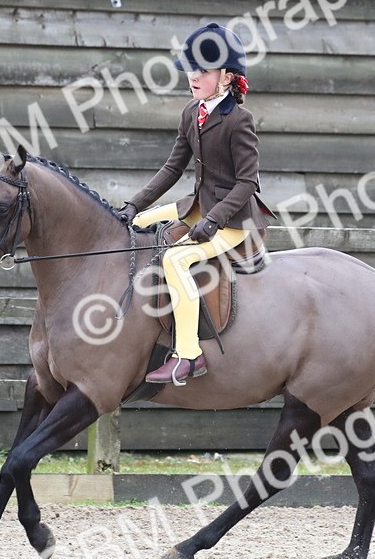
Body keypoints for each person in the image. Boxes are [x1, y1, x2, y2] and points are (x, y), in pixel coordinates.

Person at [116, 23, 271, 385]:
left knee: (176, 258)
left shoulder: (239, 121)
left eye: (203, 70)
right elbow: (173, 167)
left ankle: (189, 354)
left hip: (234, 220)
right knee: (131, 228)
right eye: (191, 69)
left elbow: (248, 182)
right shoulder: (192, 112)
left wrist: (215, 220)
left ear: (227, 77)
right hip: (197, 206)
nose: (193, 77)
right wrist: (133, 206)